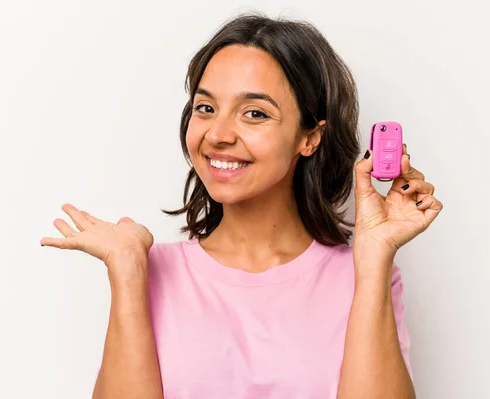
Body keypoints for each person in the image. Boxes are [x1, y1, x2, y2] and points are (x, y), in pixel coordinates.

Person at [41, 12, 443, 399]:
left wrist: (373, 258)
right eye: (205, 108)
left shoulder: (366, 277)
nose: (217, 134)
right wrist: (128, 272)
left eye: (254, 113)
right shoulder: (146, 270)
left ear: (310, 137)